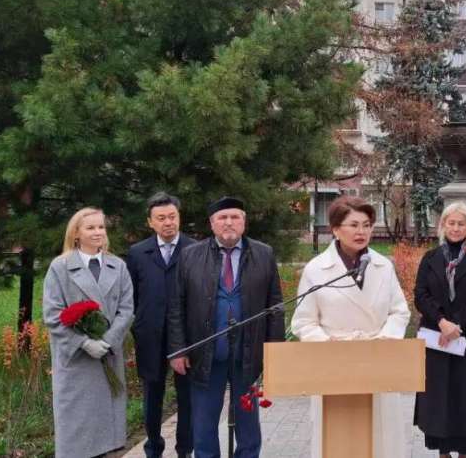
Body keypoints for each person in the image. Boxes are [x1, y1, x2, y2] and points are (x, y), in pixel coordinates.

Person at [291, 195, 411, 458]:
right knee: (337, 439)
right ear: (335, 229)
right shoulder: (316, 270)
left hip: (377, 359)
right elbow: (303, 321)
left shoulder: (383, 266)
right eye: (354, 225)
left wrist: (385, 338)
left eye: (367, 225)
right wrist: (326, 343)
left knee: (381, 438)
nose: (361, 232)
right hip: (335, 364)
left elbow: (399, 311)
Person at [167, 196, 285, 458]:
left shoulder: (263, 253)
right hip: (205, 353)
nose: (229, 222)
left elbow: (275, 305)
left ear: (244, 221)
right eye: (222, 218)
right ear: (212, 223)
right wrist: (178, 350)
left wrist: (275, 352)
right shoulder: (190, 255)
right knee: (204, 420)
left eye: (235, 217)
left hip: (248, 351)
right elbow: (176, 306)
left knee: (248, 420)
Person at [43, 207, 134, 458]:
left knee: (107, 438)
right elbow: (52, 315)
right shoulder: (60, 267)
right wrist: (84, 343)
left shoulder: (118, 266)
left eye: (101, 227)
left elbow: (126, 310)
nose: (98, 232)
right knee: (77, 439)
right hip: (77, 362)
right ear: (76, 233)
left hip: (108, 356)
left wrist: (107, 340)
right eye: (90, 227)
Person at [413, 203, 466, 458]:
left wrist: (457, 324)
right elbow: (420, 295)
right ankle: (442, 452)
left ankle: (463, 453)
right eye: (451, 223)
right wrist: (441, 322)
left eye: (461, 224)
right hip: (436, 338)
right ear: (443, 225)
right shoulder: (430, 258)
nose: (456, 228)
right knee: (437, 397)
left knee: (465, 396)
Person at [126, 192, 194, 458]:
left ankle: (185, 450)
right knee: (152, 396)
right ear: (150, 222)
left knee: (187, 397)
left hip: (187, 337)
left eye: (172, 216)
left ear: (179, 217)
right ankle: (153, 448)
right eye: (161, 218)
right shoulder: (137, 253)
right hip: (150, 336)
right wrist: (139, 327)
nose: (168, 223)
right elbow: (131, 296)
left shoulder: (194, 249)